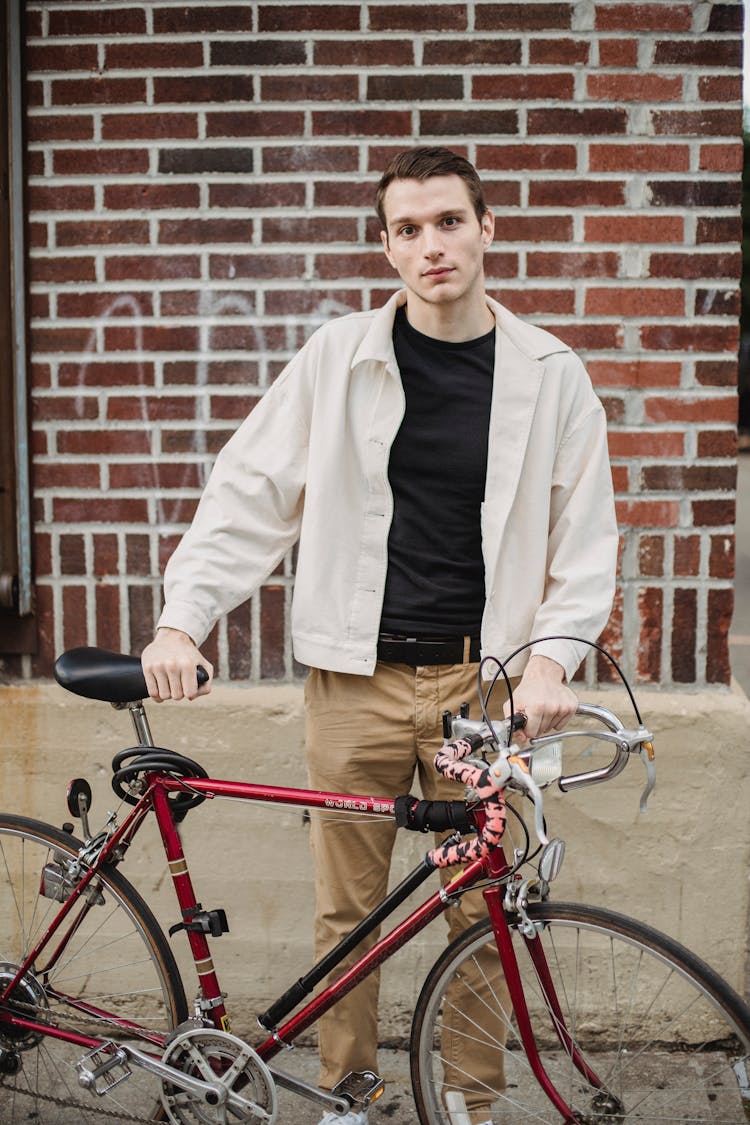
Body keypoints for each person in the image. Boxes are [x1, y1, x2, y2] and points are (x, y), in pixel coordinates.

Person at [141, 147, 618, 1125]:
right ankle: (347, 1098)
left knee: (480, 911)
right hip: (352, 685)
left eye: (449, 221)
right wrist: (183, 618)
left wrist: (554, 663)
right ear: (386, 246)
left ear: (488, 229)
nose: (431, 245)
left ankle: (469, 1106)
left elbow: (586, 540)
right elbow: (249, 496)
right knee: (347, 916)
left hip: (481, 695)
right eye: (408, 229)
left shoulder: (551, 375)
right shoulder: (339, 358)